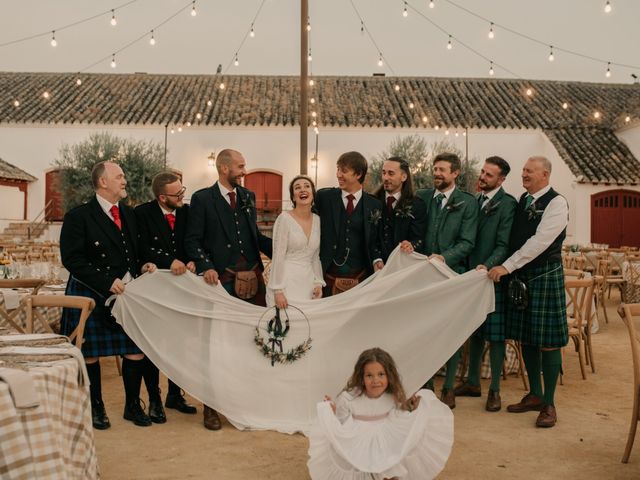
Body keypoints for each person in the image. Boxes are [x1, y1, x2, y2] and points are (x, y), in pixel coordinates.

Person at [60, 161, 156, 429]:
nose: (125, 180)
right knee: (90, 352)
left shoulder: (129, 214)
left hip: (126, 294)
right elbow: (72, 259)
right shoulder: (79, 217)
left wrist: (143, 264)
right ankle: (95, 406)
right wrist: (105, 281)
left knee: (135, 350)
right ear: (103, 182)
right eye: (120, 176)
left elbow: (135, 251)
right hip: (91, 292)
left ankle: (133, 405)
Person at [184, 148, 272, 430]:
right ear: (224, 168)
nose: (244, 171)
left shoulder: (247, 197)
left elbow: (255, 236)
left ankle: (245, 401)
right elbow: (192, 240)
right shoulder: (202, 199)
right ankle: (211, 407)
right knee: (218, 346)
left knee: (251, 340)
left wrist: (287, 249)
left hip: (253, 277)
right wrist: (205, 265)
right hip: (221, 281)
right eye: (240, 166)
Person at [488, 156, 568, 428]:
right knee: (527, 338)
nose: (524, 174)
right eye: (523, 170)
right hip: (522, 277)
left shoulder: (557, 203)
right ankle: (534, 394)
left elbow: (539, 242)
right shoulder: (523, 200)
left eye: (529, 171)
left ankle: (549, 403)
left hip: (544, 276)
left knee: (548, 340)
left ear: (545, 174)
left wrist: (506, 266)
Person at [307, 347, 453, 480]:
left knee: (392, 454)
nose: (375, 380)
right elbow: (340, 425)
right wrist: (331, 413)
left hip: (385, 434)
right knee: (357, 461)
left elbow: (400, 418)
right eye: (369, 375)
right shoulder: (348, 398)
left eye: (381, 374)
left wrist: (414, 409)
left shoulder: (392, 396)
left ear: (389, 376)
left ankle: (387, 476)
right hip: (357, 438)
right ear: (361, 378)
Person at [453, 156, 516, 412]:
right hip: (469, 277)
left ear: (501, 179)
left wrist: (486, 267)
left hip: (492, 277)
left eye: (489, 175)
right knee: (474, 331)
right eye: (482, 172)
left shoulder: (508, 204)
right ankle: (472, 382)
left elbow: (504, 244)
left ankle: (495, 391)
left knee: (496, 335)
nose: (482, 177)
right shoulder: (472, 201)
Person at [416, 152, 478, 409]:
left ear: (455, 173)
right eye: (435, 169)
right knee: (425, 331)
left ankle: (449, 386)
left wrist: (444, 257)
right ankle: (426, 382)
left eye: (442, 169)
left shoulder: (467, 202)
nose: (437, 173)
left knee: (451, 333)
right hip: (422, 276)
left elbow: (467, 242)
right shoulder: (421, 198)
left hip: (452, 275)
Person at [135, 171, 198, 420]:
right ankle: (154, 399)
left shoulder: (186, 212)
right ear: (162, 197)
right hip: (155, 288)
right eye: (178, 193)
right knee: (154, 344)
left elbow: (193, 241)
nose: (183, 196)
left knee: (178, 343)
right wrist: (167, 260)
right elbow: (140, 247)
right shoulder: (141, 213)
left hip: (182, 289)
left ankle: (174, 394)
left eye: (183, 190)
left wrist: (192, 260)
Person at [315, 151, 383, 297]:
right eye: (338, 169)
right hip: (327, 276)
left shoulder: (375, 204)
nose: (338, 174)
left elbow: (376, 240)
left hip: (361, 278)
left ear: (358, 174)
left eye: (344, 171)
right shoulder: (324, 198)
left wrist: (377, 259)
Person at [266, 175, 324, 309]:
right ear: (293, 197)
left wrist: (318, 283)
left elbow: (315, 257)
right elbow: (278, 256)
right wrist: (278, 290)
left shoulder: (318, 220)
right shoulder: (284, 219)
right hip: (286, 284)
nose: (302, 190)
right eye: (297, 188)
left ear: (313, 194)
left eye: (307, 186)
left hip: (308, 285)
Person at [373, 156, 427, 261]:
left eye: (391, 173)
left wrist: (411, 244)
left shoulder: (417, 205)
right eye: (384, 173)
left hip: (402, 266)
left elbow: (419, 239)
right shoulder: (372, 202)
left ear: (404, 177)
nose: (385, 178)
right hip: (374, 266)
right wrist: (376, 259)